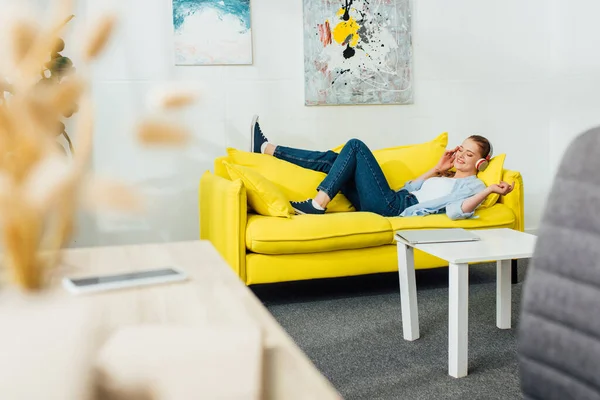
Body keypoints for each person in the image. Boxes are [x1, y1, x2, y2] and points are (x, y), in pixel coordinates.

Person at [249, 115, 514, 219]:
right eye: (461, 150)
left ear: (480, 163)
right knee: (333, 160)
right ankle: (266, 148)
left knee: (354, 146)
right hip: (395, 198)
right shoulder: (445, 174)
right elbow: (409, 188)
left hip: (394, 207)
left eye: (469, 155)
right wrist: (436, 169)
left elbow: (458, 212)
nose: (461, 157)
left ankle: (318, 205)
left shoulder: (472, 185)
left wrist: (489, 189)